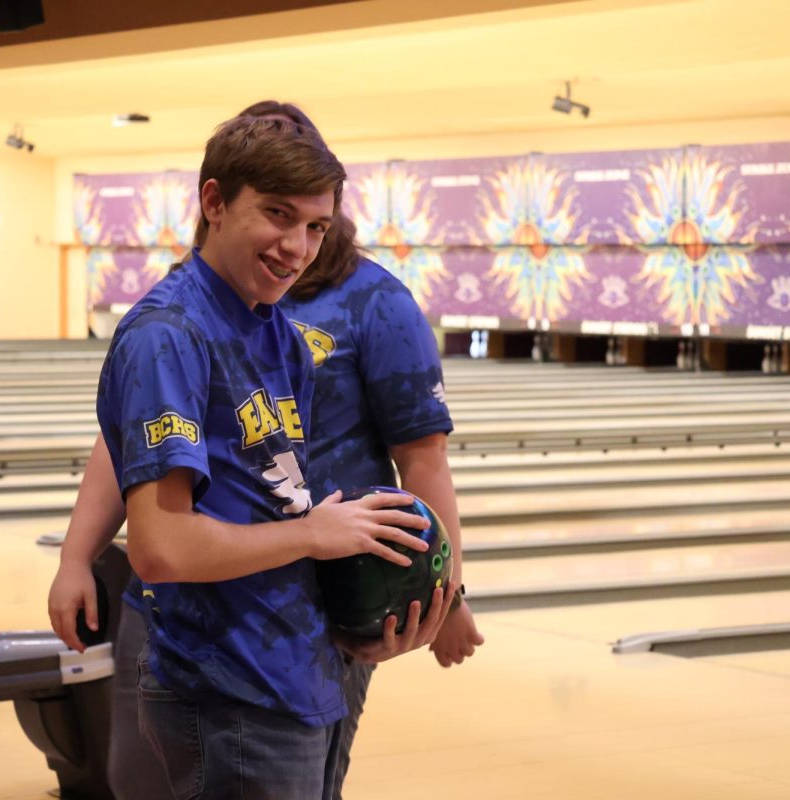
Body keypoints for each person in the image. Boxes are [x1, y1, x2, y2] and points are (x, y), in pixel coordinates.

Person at [49, 105, 482, 800]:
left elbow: (399, 464)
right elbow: (149, 494)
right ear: (215, 203)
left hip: (298, 632)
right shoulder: (181, 326)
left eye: (314, 224)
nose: (297, 244)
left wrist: (422, 598)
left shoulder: (296, 322)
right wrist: (76, 556)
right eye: (277, 215)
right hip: (220, 649)